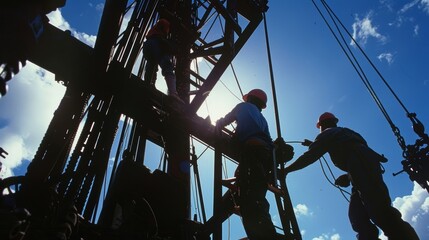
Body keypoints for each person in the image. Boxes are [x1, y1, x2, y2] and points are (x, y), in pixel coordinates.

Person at [282, 112, 420, 240]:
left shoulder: (327, 134)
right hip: (363, 172)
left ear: (321, 126)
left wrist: (287, 169)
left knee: (381, 212)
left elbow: (310, 156)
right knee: (358, 216)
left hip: (361, 172)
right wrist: (349, 176)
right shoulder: (348, 134)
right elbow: (355, 156)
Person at [215, 89, 277, 239]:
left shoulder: (241, 107)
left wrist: (218, 123)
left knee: (249, 199)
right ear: (262, 105)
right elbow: (269, 141)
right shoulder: (262, 119)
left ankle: (264, 235)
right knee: (257, 194)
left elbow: (225, 120)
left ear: (248, 98)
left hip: (252, 151)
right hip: (264, 156)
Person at [142, 18, 183, 102]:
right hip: (156, 42)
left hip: (147, 45)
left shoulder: (154, 29)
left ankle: (149, 84)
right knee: (167, 65)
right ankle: (173, 93)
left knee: (151, 65)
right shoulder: (164, 23)